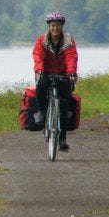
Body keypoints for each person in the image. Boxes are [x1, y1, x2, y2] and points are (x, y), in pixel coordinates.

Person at [33, 11, 78, 151]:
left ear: (62, 26)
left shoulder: (69, 41)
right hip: (46, 73)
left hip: (64, 75)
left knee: (64, 105)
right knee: (40, 87)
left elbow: (71, 57)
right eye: (52, 25)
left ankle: (62, 140)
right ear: (49, 26)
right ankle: (41, 112)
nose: (55, 28)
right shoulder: (42, 41)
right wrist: (39, 70)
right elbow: (38, 56)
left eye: (58, 25)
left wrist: (71, 72)